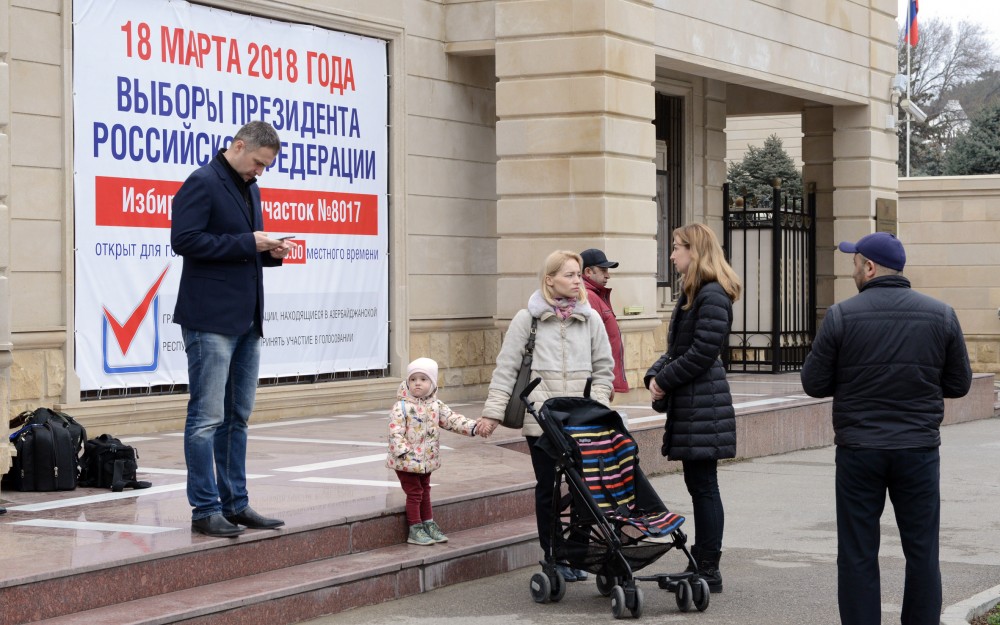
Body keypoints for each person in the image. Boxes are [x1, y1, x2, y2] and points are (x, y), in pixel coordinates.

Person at [800, 231, 972, 625]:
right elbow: (959, 384)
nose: (853, 270)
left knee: (858, 551)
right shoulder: (940, 314)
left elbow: (813, 383)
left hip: (860, 451)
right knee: (922, 551)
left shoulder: (842, 315)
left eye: (855, 263)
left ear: (870, 267)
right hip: (918, 451)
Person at [171, 121, 292, 538]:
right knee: (206, 419)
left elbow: (243, 248)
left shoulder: (250, 187)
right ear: (239, 146)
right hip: (209, 320)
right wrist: (249, 243)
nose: (260, 172)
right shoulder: (202, 182)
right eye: (258, 162)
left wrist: (270, 252)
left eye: (265, 166)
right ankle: (205, 509)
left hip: (245, 320)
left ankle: (235, 504)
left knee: (237, 417)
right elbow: (185, 241)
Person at [477, 250, 615, 582]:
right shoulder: (529, 319)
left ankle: (579, 551)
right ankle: (554, 553)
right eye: (569, 274)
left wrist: (594, 408)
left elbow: (604, 371)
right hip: (541, 422)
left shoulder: (590, 318)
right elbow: (507, 369)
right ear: (549, 279)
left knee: (585, 490)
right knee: (549, 491)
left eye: (579, 274)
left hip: (581, 422)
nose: (577, 280)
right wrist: (492, 413)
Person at [644, 223, 741, 593]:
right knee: (699, 484)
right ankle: (702, 564)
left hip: (704, 404)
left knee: (704, 487)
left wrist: (665, 380)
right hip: (696, 403)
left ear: (695, 251)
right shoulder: (695, 293)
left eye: (677, 247)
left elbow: (702, 352)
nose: (672, 255)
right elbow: (677, 349)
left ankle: (708, 569)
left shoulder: (711, 294)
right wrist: (655, 375)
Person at [387, 357, 488, 546]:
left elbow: (453, 420)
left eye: (423, 379)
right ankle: (415, 528)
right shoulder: (401, 407)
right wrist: (405, 454)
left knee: (425, 491)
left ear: (432, 383)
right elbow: (395, 432)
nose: (417, 383)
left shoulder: (436, 406)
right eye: (413, 379)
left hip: (426, 461)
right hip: (407, 462)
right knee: (415, 492)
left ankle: (428, 523)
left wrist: (474, 427)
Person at [580, 248, 629, 396]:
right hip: (596, 382)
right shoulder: (588, 296)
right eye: (603, 270)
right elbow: (590, 343)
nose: (608, 275)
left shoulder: (596, 295)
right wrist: (601, 381)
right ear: (588, 271)